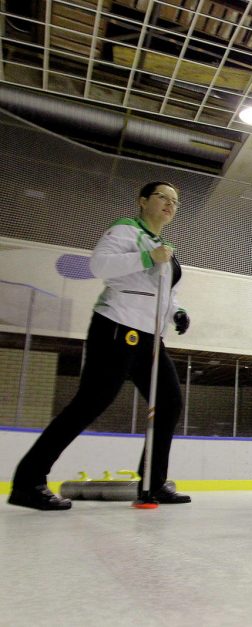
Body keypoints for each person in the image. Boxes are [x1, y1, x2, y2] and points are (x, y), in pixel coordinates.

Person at [9, 182, 192, 510]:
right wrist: (149, 256)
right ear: (142, 201)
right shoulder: (125, 231)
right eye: (162, 197)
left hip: (151, 336)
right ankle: (28, 481)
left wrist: (177, 311)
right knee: (90, 403)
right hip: (117, 327)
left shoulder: (164, 243)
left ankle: (152, 480)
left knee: (169, 402)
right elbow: (99, 266)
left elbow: (164, 289)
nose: (169, 204)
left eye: (175, 201)